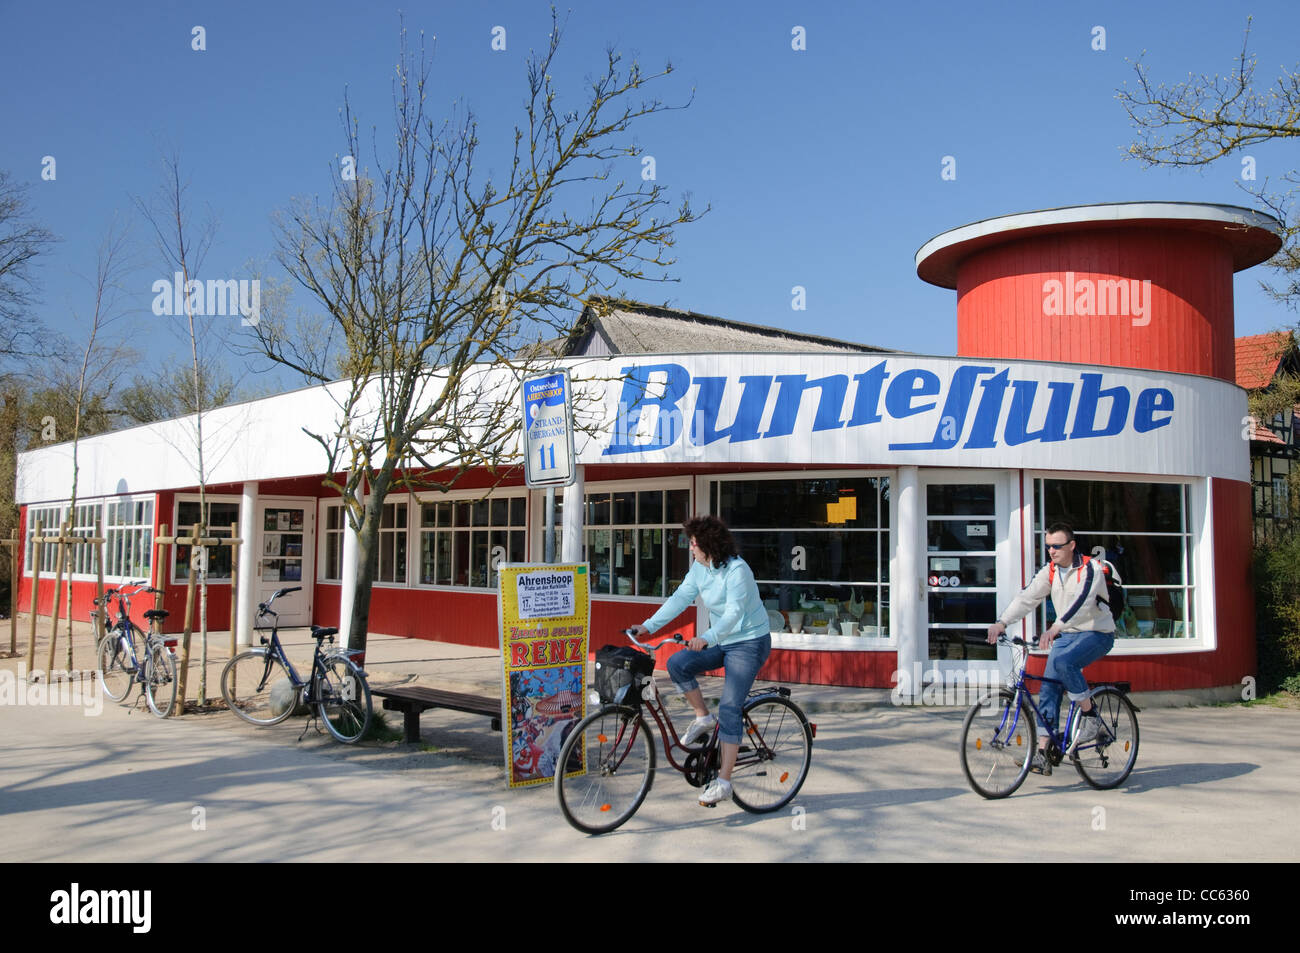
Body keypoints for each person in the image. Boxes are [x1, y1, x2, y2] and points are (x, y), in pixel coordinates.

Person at [627, 515, 771, 806]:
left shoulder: (737, 571)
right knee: (678, 664)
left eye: (694, 544)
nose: (690, 548)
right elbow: (679, 599)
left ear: (709, 545)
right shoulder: (699, 569)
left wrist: (707, 637)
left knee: (730, 706)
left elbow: (734, 615)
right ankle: (703, 716)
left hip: (748, 642)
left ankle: (724, 781)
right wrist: (648, 627)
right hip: (722, 639)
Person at [986, 522, 1115, 773]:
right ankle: (1044, 753)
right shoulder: (1051, 571)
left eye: (1057, 546)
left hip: (1097, 633)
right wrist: (1002, 622)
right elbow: (1028, 597)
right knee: (1048, 688)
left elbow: (1082, 603)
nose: (1052, 551)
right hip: (1067, 634)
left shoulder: (1090, 569)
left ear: (1072, 545)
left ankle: (1090, 716)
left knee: (1065, 663)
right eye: (1048, 547)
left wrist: (1055, 628)